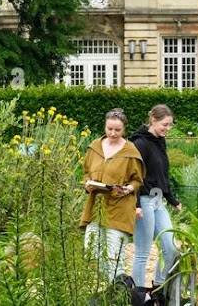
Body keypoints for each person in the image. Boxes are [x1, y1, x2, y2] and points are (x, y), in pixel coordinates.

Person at [80, 109, 145, 283]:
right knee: (92, 251)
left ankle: (118, 294)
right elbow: (86, 172)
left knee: (114, 258)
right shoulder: (94, 147)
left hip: (119, 208)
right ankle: (107, 292)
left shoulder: (130, 152)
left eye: (117, 130)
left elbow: (137, 180)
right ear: (105, 126)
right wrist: (88, 183)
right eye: (109, 129)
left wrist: (127, 189)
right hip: (96, 207)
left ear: (124, 129)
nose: (113, 133)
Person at [130, 104, 182, 304]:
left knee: (171, 249)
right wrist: (136, 205)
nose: (167, 129)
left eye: (169, 125)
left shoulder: (161, 141)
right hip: (143, 201)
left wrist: (172, 200)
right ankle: (138, 296)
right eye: (164, 124)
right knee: (143, 251)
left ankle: (158, 288)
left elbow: (163, 174)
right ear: (153, 119)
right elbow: (133, 175)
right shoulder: (139, 143)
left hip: (159, 201)